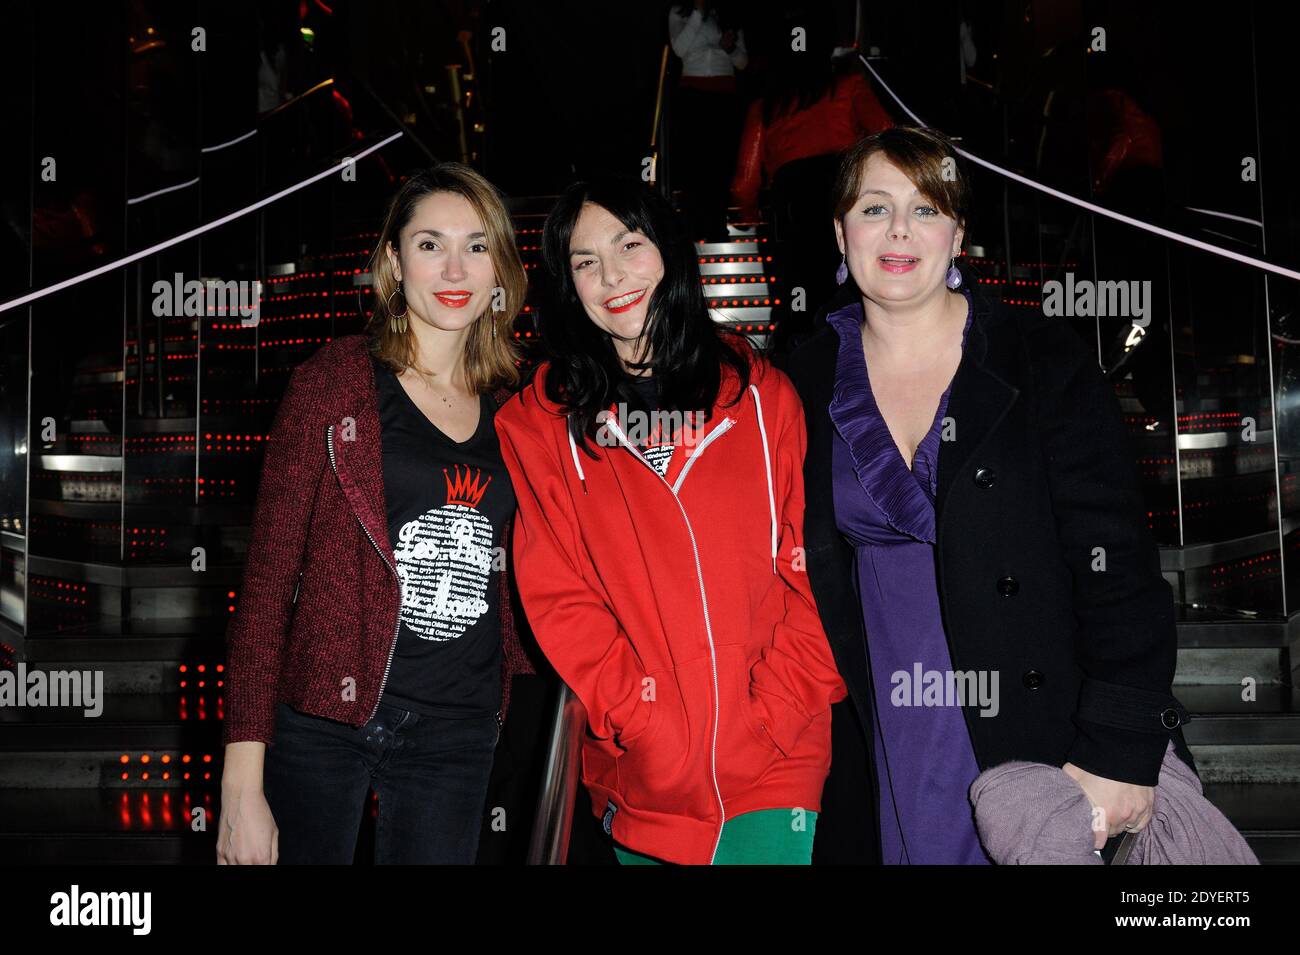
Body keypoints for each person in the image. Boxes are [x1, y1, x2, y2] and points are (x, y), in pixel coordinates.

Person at [786, 126, 1196, 864]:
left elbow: (1120, 567)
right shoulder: (801, 382)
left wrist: (1124, 742)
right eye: (875, 209)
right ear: (840, 233)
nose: (900, 230)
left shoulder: (1042, 360)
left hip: (1046, 718)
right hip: (889, 720)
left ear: (959, 232)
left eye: (927, 208)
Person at [495, 176, 845, 865]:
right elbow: (558, 596)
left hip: (779, 762)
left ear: (672, 253)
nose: (612, 275)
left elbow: (814, 569)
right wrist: (643, 721)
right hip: (646, 775)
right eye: (585, 261)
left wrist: (771, 714)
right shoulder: (540, 423)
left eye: (630, 244)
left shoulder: (764, 394)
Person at [217, 162, 534, 865]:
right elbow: (267, 588)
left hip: (459, 729)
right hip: (325, 720)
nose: (455, 266)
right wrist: (241, 783)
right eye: (430, 244)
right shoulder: (331, 383)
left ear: (501, 269)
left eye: (477, 246)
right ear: (393, 261)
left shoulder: (525, 407)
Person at [730, 21, 893, 364]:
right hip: (841, 195)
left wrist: (746, 214)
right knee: (849, 284)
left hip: (791, 205)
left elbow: (746, 176)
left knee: (796, 294)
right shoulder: (848, 87)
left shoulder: (767, 106)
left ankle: (798, 369)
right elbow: (887, 137)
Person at [668, 0, 748, 241]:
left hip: (724, 94)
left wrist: (731, 47)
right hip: (693, 92)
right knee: (695, 163)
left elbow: (742, 61)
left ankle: (716, 226)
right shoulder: (678, 12)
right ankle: (693, 226)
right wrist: (698, 13)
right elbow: (679, 49)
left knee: (721, 164)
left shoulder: (728, 14)